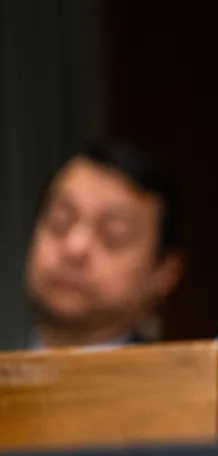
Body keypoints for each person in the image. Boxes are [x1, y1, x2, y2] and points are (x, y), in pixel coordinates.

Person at [22, 141, 185, 350]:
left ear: (164, 273)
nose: (75, 248)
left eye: (113, 235)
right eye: (60, 220)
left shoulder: (189, 373)